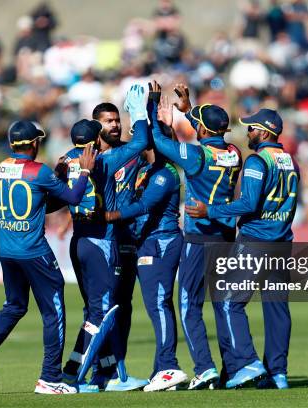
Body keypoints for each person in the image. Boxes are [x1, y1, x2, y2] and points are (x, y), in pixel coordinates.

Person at [0, 120, 97, 395]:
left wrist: (57, 179)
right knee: (53, 311)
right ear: (34, 143)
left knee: (14, 306)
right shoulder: (40, 172)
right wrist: (84, 170)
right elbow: (73, 197)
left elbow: (40, 201)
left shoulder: (2, 168)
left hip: (7, 250)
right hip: (34, 252)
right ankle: (49, 378)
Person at [187, 108, 300, 390]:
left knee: (227, 301)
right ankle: (278, 373)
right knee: (277, 308)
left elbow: (248, 204)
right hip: (282, 242)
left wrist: (210, 211)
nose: (248, 133)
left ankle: (247, 364)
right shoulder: (290, 161)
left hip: (256, 241)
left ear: (264, 132)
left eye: (251, 128)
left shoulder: (257, 162)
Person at [151, 82, 243, 390]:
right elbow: (207, 132)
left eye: (197, 124)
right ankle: (232, 368)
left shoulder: (196, 156)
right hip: (226, 237)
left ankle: (205, 368)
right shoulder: (234, 152)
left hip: (199, 238)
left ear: (202, 130)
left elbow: (158, 143)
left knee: (190, 305)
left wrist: (152, 112)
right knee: (221, 305)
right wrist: (188, 112)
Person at [60, 85, 149, 392]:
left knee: (98, 309)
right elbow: (139, 142)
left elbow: (57, 194)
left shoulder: (64, 161)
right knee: (102, 311)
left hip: (78, 241)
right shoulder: (103, 162)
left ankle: (107, 373)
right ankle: (71, 375)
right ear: (96, 138)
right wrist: (138, 112)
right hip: (100, 243)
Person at [105, 84, 187, 391]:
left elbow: (143, 206)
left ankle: (169, 366)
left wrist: (111, 216)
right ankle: (162, 370)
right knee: (153, 304)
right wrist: (152, 106)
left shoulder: (165, 174)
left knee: (158, 304)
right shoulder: (151, 169)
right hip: (149, 242)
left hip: (162, 241)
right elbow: (150, 138)